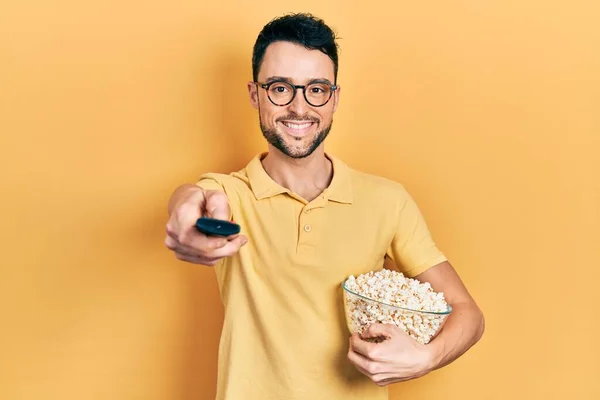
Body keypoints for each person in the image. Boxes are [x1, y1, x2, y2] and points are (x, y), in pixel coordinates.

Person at [165, 13, 485, 400]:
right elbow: (192, 198)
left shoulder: (387, 201)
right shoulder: (231, 195)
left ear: (334, 97)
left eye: (316, 89)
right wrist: (186, 215)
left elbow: (467, 312)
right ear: (254, 94)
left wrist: (425, 358)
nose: (299, 108)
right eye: (280, 88)